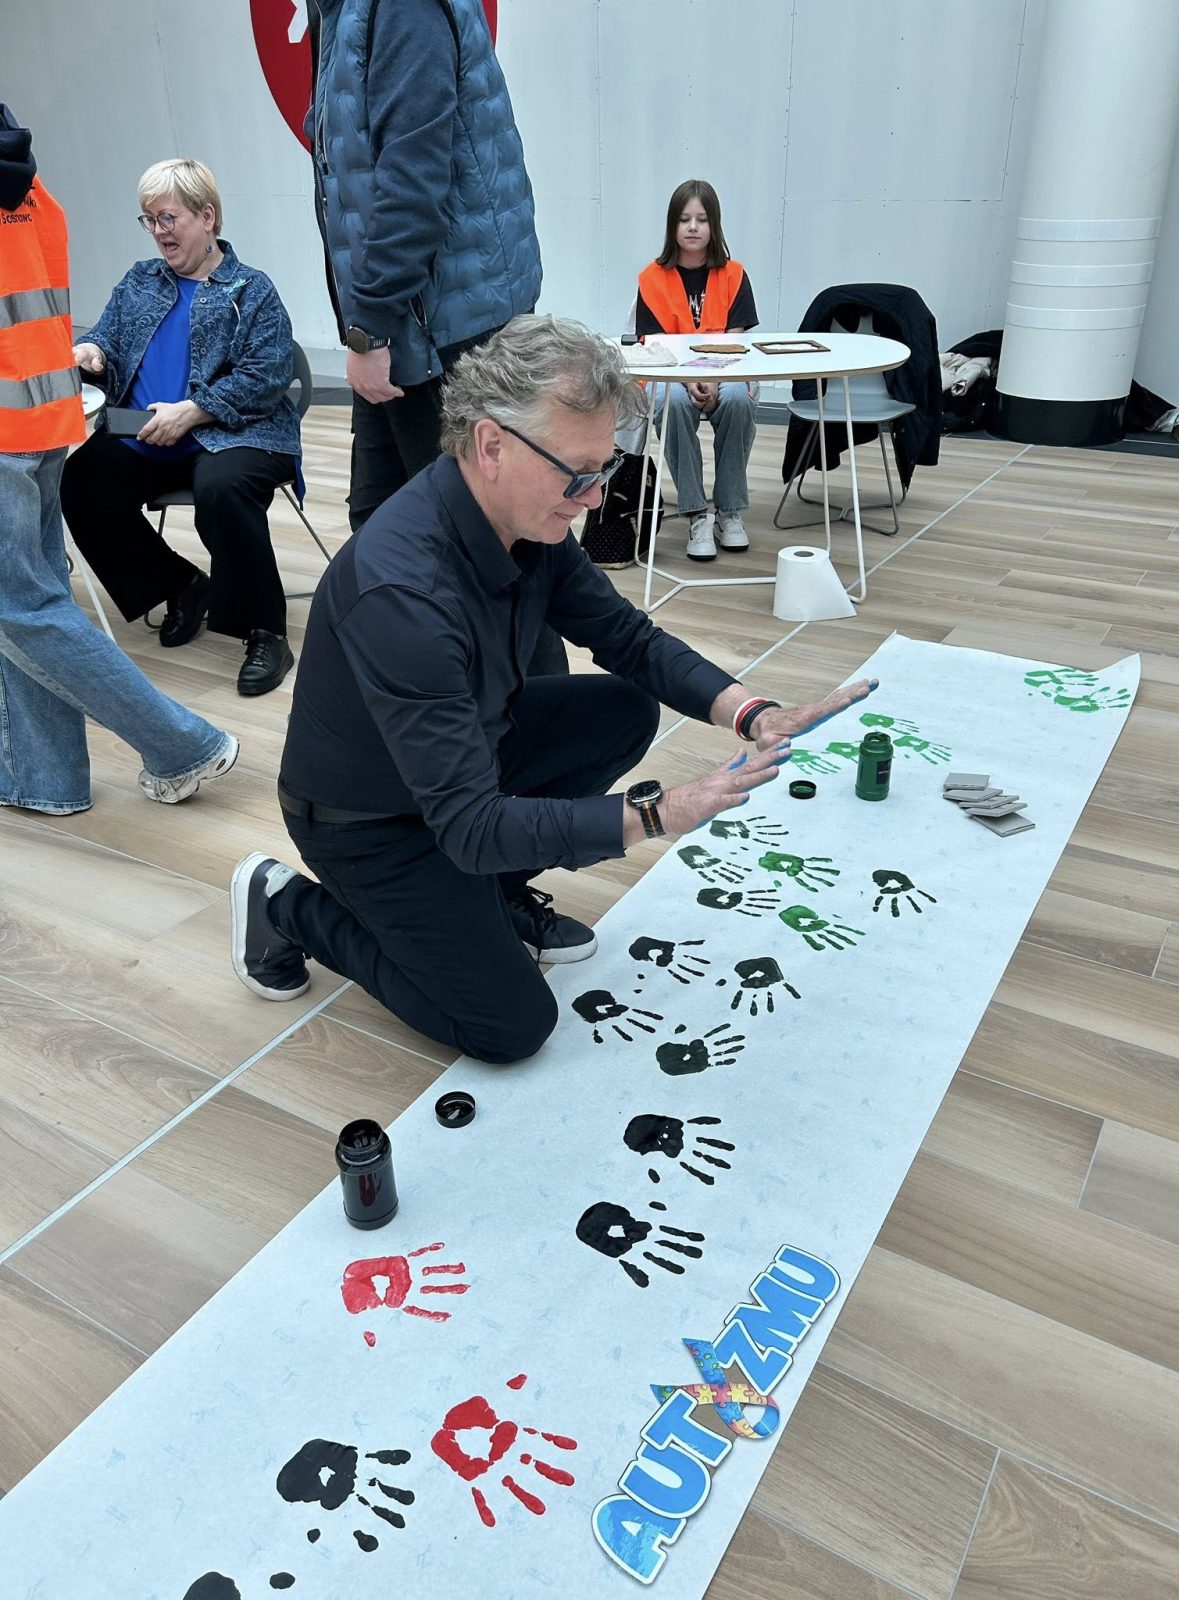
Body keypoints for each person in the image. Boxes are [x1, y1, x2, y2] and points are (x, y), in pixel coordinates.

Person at [230, 316, 874, 1064]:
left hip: (467, 758)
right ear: (491, 445)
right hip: (371, 823)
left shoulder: (525, 519)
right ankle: (288, 905)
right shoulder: (404, 593)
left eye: (605, 468)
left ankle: (485, 896)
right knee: (510, 1027)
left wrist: (752, 712)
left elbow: (626, 638)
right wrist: (657, 813)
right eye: (579, 474)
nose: (595, 499)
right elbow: (470, 826)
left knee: (621, 709)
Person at [306, 0, 565, 675]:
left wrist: (369, 327)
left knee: (484, 550)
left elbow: (413, 174)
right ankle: (430, 706)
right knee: (386, 532)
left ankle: (539, 720)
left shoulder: (399, 6)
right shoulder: (343, 11)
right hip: (414, 320)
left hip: (440, 328)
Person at [0, 108, 238, 814]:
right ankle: (44, 779)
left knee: (25, 611)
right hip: (41, 420)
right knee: (32, 606)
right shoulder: (31, 191)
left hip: (13, 430)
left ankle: (181, 743)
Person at [60, 159, 302, 696]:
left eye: (167, 218)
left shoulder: (251, 289)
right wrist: (92, 352)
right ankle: (183, 585)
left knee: (222, 488)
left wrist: (193, 411)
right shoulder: (140, 280)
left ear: (207, 217)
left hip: (234, 435)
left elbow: (266, 377)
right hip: (144, 434)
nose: (158, 231)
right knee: (79, 482)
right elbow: (108, 339)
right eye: (149, 220)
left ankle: (266, 631)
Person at [636, 179, 760, 563]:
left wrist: (714, 379)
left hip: (726, 371)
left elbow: (736, 340)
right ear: (672, 225)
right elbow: (655, 344)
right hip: (672, 374)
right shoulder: (651, 278)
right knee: (670, 401)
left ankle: (729, 511)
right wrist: (689, 380)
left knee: (738, 398)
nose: (693, 227)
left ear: (714, 225)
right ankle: (696, 513)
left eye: (702, 219)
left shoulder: (735, 274)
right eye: (684, 219)